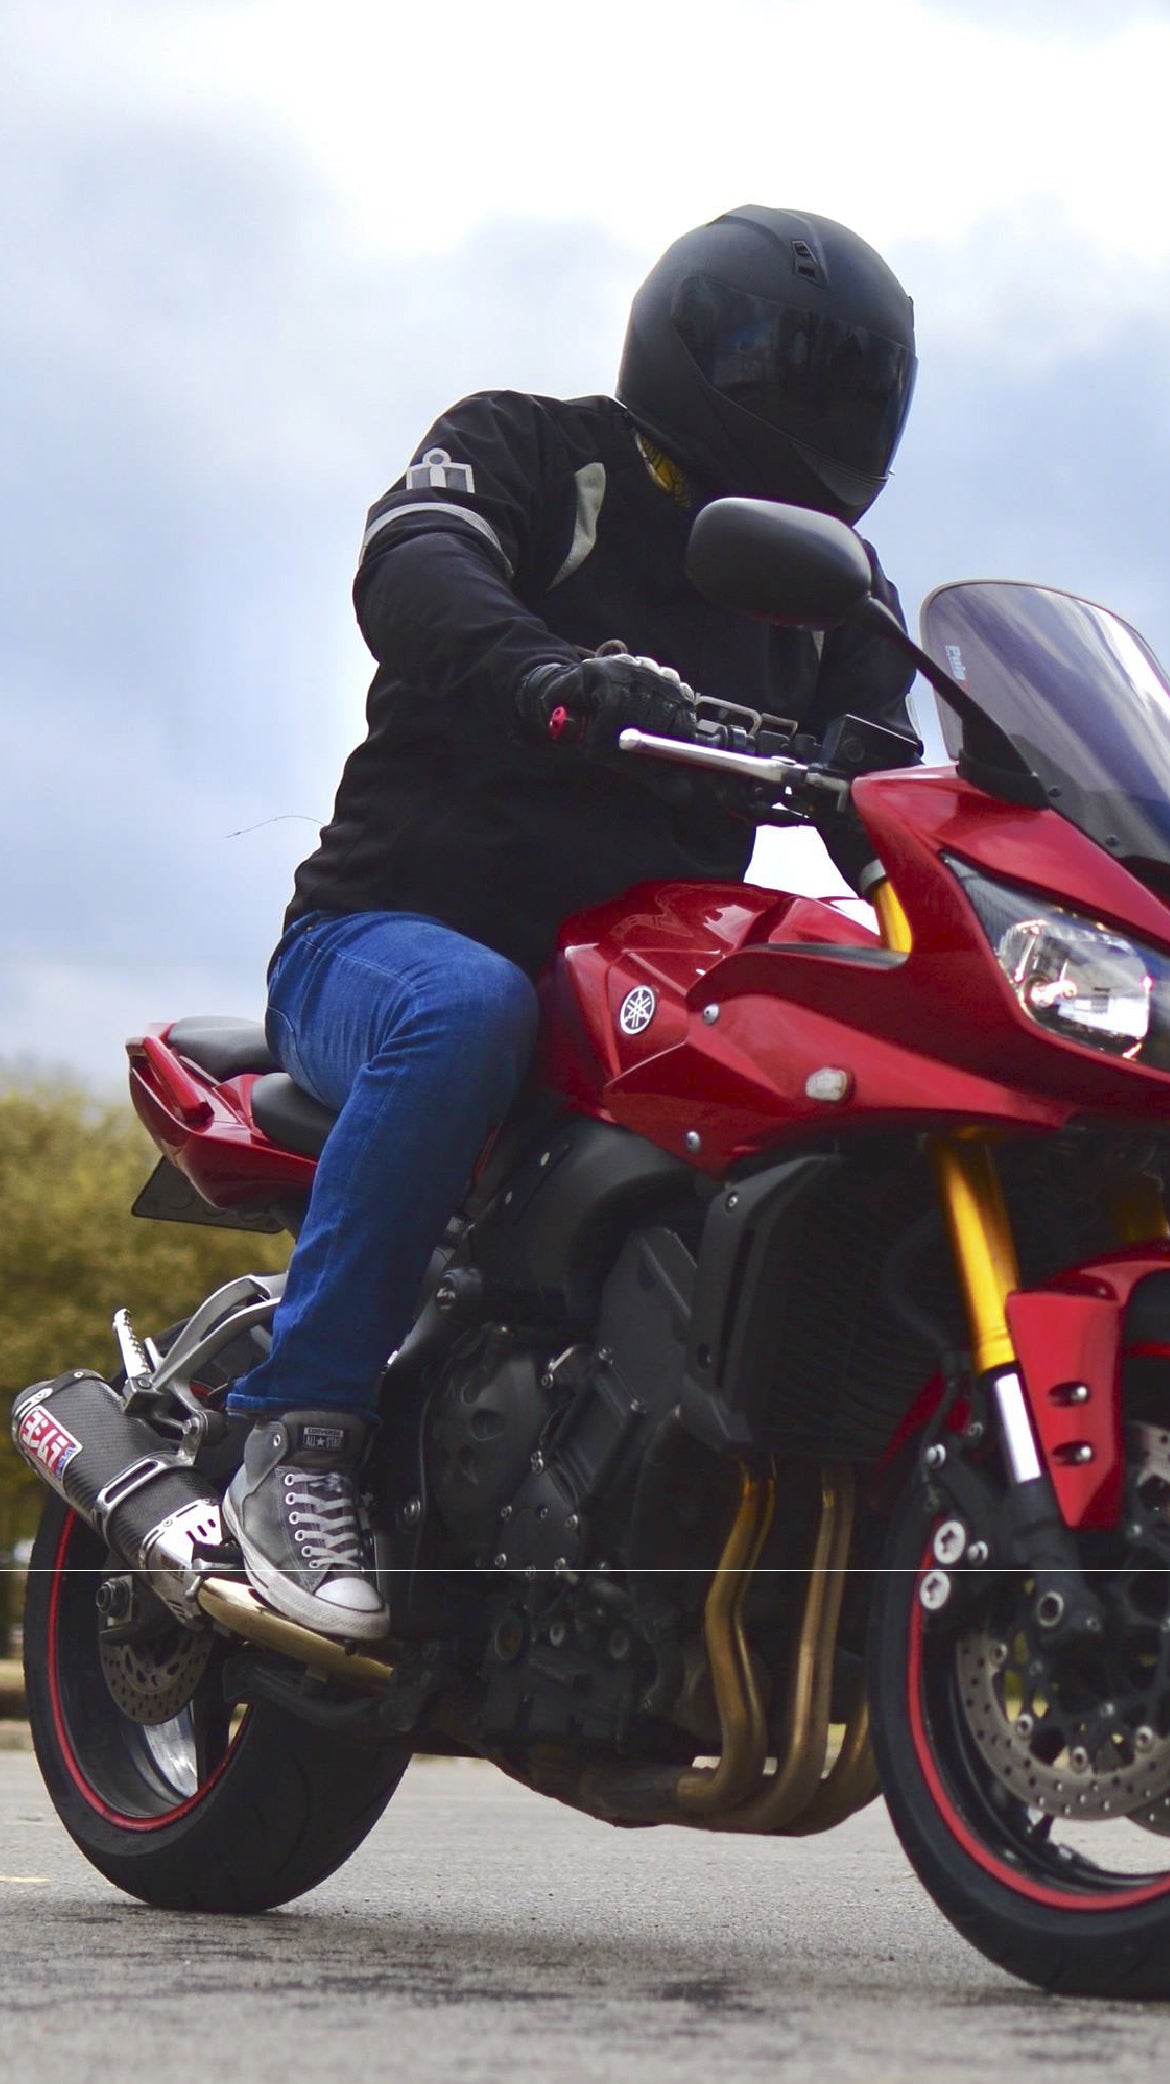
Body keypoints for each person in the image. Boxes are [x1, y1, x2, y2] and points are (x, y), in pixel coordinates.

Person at [220, 207, 922, 1640]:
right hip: (381, 943)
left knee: (858, 1060)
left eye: (857, 384)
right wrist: (549, 675)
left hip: (632, 993)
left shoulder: (827, 580)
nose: (826, 410)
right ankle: (298, 1439)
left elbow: (895, 771)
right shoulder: (529, 446)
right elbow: (417, 564)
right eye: (797, 369)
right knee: (465, 1006)